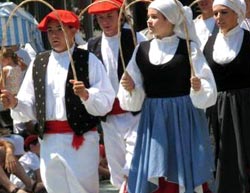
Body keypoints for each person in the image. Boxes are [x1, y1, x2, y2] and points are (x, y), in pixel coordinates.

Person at [0, 9, 115, 193]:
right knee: (55, 187)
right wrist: (15, 103)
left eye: (59, 29)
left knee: (82, 188)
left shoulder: (87, 60)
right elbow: (29, 103)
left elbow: (106, 100)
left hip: (81, 140)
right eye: (50, 30)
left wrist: (87, 95)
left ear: (73, 31)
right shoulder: (39, 62)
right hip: (50, 142)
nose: (54, 34)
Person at [117, 0, 217, 192]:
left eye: (154, 17)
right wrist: (130, 87)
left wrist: (198, 87)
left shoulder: (189, 48)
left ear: (170, 19)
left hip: (183, 118)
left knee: (183, 165)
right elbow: (133, 88)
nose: (149, 21)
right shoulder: (142, 49)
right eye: (148, 17)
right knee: (156, 165)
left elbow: (207, 85)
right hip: (153, 119)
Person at [87, 0, 147, 190]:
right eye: (101, 18)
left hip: (135, 113)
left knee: (136, 162)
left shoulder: (138, 39)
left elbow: (150, 72)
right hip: (109, 117)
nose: (106, 22)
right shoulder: (92, 46)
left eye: (110, 17)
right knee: (116, 165)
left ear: (120, 16)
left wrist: (136, 85)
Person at [203, 0, 250, 192]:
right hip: (217, 110)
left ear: (237, 13)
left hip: (245, 109)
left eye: (224, 12)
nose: (218, 18)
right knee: (222, 156)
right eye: (215, 14)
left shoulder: (248, 40)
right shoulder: (210, 42)